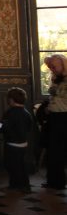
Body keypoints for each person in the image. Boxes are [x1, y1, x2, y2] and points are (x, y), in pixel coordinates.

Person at [0, 87, 33, 191]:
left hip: (11, 144)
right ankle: (25, 185)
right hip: (23, 144)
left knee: (11, 166)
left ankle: (15, 185)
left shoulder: (10, 113)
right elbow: (29, 127)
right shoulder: (26, 113)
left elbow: (5, 128)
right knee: (22, 165)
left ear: (11, 100)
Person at [43, 54, 67, 191]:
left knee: (59, 150)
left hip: (63, 117)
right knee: (52, 150)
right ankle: (53, 181)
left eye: (53, 66)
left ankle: (58, 182)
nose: (51, 69)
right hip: (54, 116)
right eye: (50, 66)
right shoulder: (56, 78)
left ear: (62, 65)